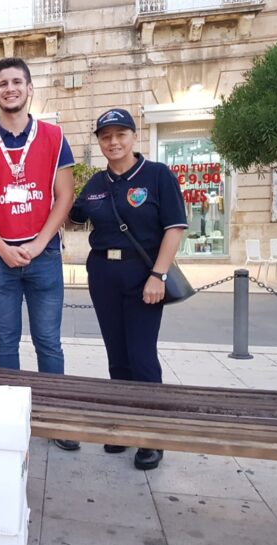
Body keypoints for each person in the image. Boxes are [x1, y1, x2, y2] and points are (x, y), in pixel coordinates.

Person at [0, 57, 79, 451]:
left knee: (49, 342)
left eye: (17, 82)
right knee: (5, 343)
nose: (9, 89)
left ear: (30, 89)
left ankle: (57, 417)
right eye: (2, 83)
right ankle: (12, 422)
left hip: (43, 255)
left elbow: (65, 196)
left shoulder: (54, 136)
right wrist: (2, 248)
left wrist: (39, 242)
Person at [69, 108, 187, 470]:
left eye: (120, 134)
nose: (113, 142)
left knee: (141, 355)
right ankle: (122, 427)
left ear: (134, 137)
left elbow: (175, 228)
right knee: (117, 356)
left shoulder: (156, 175)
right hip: (103, 271)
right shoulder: (95, 184)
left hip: (143, 274)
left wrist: (159, 275)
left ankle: (151, 435)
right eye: (106, 136)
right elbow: (70, 214)